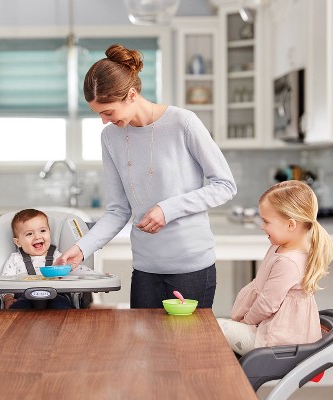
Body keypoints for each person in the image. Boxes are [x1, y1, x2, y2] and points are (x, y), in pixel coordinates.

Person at [55, 43, 237, 309]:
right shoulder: (110, 137)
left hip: (191, 267)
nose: (104, 120)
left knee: (187, 339)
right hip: (145, 269)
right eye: (98, 114)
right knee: (142, 338)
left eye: (108, 112)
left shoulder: (183, 123)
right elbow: (118, 210)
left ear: (131, 95)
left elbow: (225, 185)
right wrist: (82, 248)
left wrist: (168, 209)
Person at [218, 180, 333, 356]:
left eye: (266, 221)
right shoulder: (278, 247)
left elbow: (266, 304)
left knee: (215, 328)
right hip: (266, 331)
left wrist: (245, 323)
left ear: (290, 225)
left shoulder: (288, 263)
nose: (262, 226)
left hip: (275, 340)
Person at [1, 209, 92, 309]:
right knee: (16, 308)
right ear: (18, 242)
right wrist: (7, 297)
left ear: (49, 232)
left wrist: (95, 276)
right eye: (29, 234)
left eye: (42, 231)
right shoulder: (15, 259)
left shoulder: (58, 257)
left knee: (64, 308)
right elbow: (5, 282)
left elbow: (76, 269)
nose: (37, 236)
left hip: (56, 295)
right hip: (24, 297)